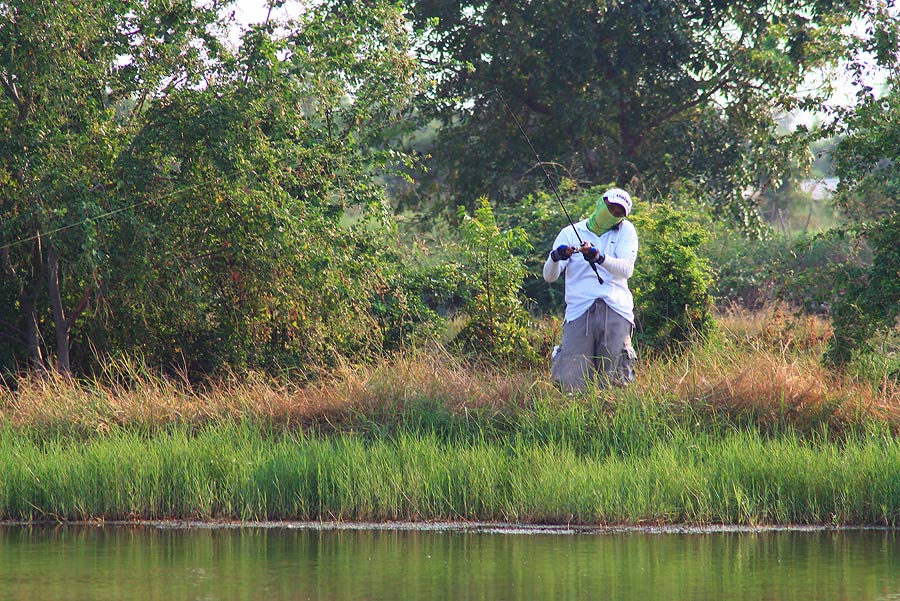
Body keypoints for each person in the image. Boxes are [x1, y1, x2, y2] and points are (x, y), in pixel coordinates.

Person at [543, 187, 638, 391]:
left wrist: (598, 257)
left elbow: (626, 269)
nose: (612, 213)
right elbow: (549, 276)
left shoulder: (626, 231)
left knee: (615, 383)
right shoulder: (569, 233)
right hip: (579, 311)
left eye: (618, 212)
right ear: (600, 202)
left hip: (616, 310)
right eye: (610, 207)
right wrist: (556, 257)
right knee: (572, 383)